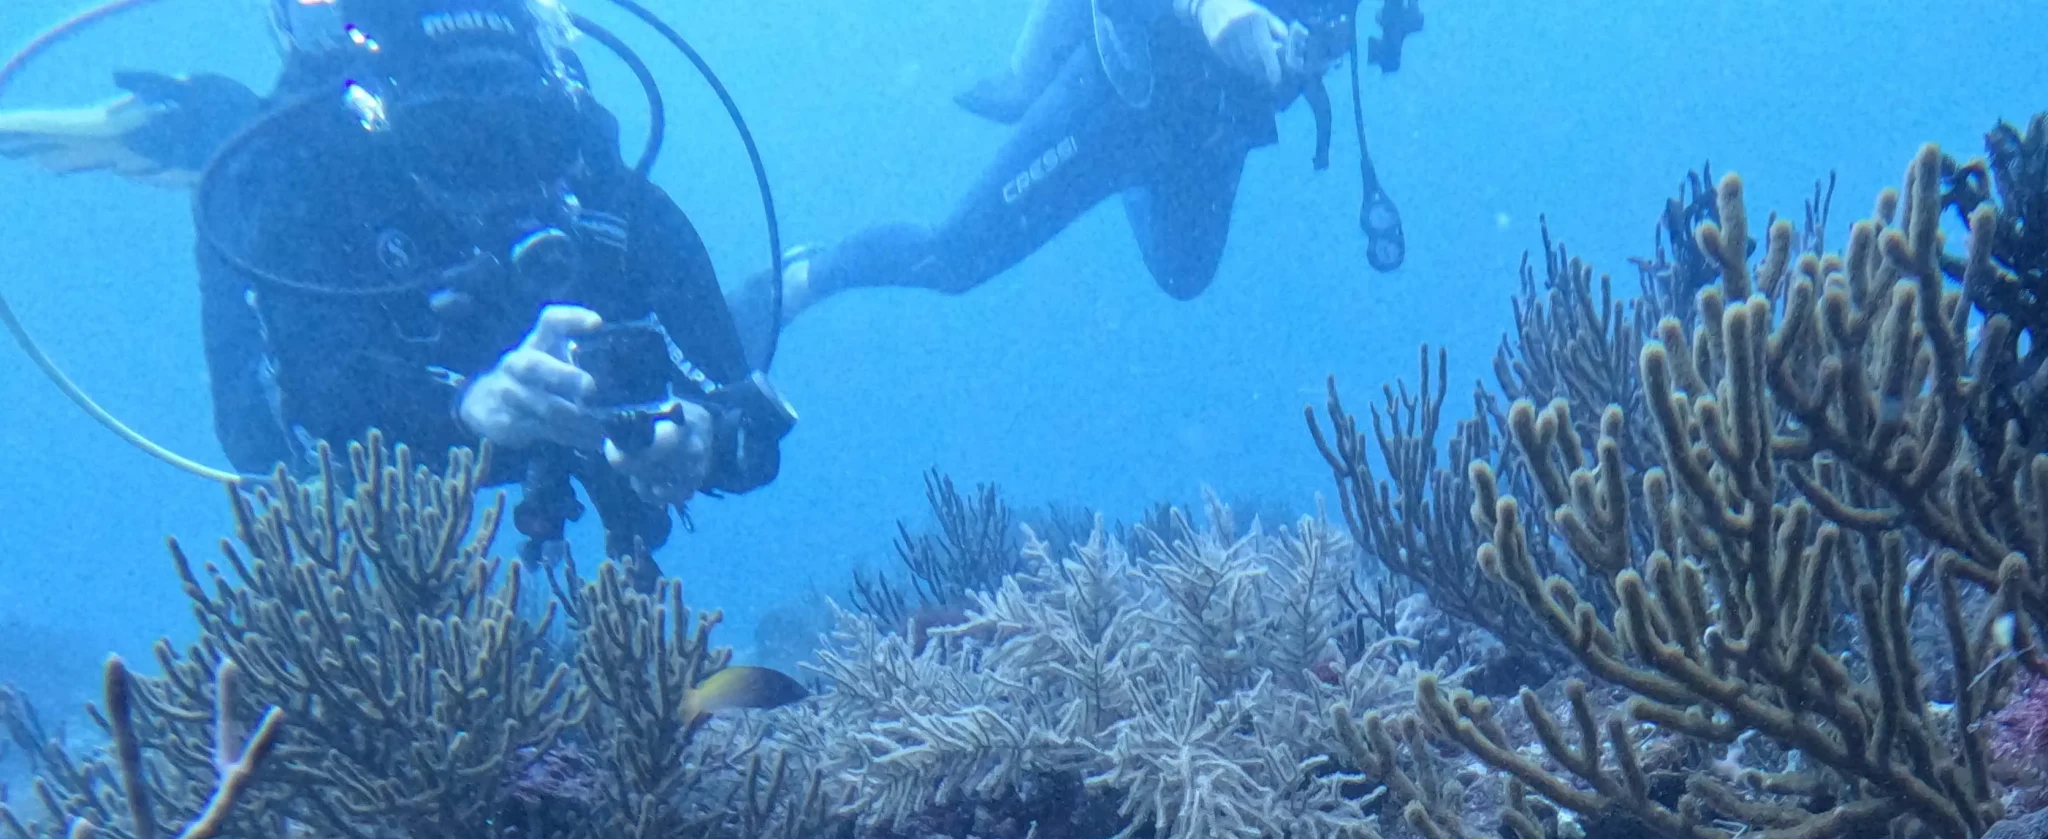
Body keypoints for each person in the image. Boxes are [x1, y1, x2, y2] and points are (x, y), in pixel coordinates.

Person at [0, 0, 790, 556]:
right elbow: (268, 437)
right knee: (236, 155)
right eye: (454, 140)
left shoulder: (597, 179)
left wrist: (700, 431)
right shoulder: (304, 184)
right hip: (322, 230)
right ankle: (200, 128)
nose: (500, 176)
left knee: (751, 314)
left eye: (529, 138)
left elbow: (752, 429)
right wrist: (467, 412)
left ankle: (827, 269)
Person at [737, 0, 1410, 357]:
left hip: (1213, 132)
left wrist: (1314, 47)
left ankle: (1117, 177)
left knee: (1184, 275)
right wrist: (1203, 5)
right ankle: (799, 281)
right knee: (953, 258)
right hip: (1114, 104)